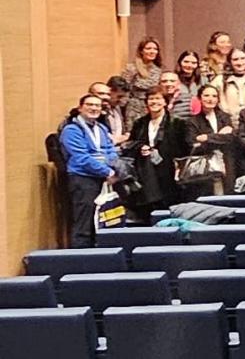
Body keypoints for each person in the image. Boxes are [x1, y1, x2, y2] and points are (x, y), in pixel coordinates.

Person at [60, 93, 123, 247]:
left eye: (97, 106)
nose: (94, 108)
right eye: (90, 105)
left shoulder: (101, 128)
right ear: (80, 108)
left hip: (104, 179)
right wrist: (107, 171)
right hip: (83, 179)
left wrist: (111, 166)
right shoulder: (71, 130)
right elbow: (81, 158)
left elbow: (110, 150)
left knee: (103, 221)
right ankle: (80, 260)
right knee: (84, 223)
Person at [125, 91, 192, 220]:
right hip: (146, 172)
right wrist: (141, 147)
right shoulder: (140, 123)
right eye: (151, 98)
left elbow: (185, 148)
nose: (154, 102)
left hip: (170, 172)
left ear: (165, 102)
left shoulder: (178, 123)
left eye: (158, 98)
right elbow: (131, 143)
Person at [121, 37, 163, 108]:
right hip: (134, 106)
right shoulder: (132, 68)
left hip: (153, 105)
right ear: (141, 51)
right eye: (148, 48)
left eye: (155, 49)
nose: (152, 51)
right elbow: (124, 90)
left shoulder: (158, 70)